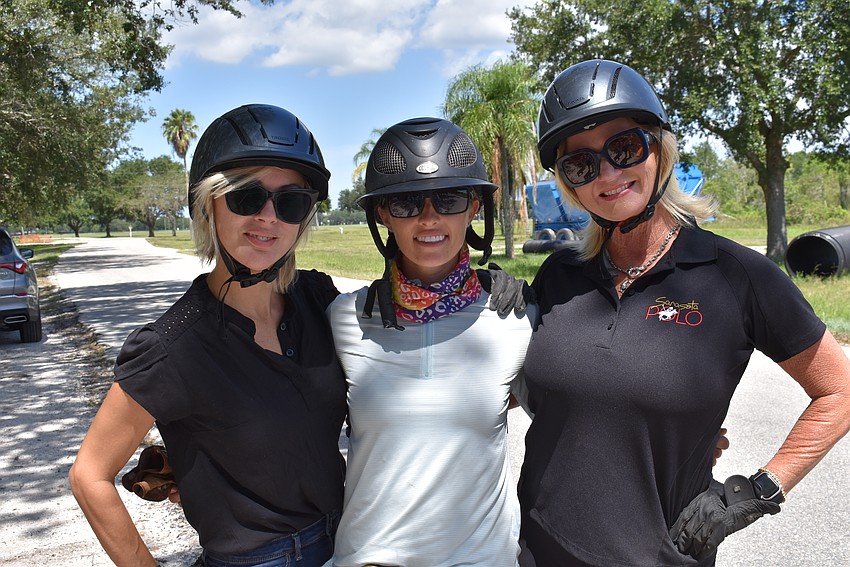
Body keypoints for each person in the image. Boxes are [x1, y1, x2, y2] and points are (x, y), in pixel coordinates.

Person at [518, 59, 850, 566]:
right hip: (536, 552)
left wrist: (758, 491)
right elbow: (540, 395)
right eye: (581, 164)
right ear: (568, 183)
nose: (607, 173)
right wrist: (482, 297)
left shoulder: (735, 274)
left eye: (624, 147)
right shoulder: (559, 274)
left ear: (659, 148)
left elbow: (839, 392)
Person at [69, 104, 347, 567]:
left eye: (291, 202)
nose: (268, 217)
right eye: (245, 197)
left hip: (350, 539)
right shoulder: (172, 347)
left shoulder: (319, 301)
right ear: (209, 204)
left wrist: (478, 284)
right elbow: (89, 476)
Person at [325, 117, 535, 566]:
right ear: (381, 213)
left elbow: (584, 412)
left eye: (450, 198)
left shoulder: (515, 316)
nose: (429, 218)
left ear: (474, 206)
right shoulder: (344, 319)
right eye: (404, 203)